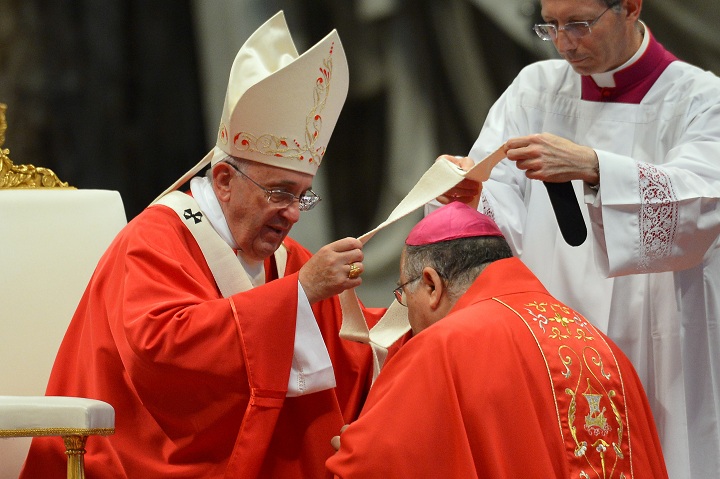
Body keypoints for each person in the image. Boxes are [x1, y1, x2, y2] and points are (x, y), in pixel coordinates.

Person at [20, 12, 381, 479]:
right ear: (226, 179)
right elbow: (161, 350)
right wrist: (297, 296)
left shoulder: (288, 261)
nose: (292, 213)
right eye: (279, 192)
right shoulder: (154, 240)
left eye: (301, 195)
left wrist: (425, 291)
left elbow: (355, 349)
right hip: (130, 456)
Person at [437, 0, 720, 477]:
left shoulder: (700, 97)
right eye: (552, 26)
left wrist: (594, 167)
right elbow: (498, 199)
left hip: (659, 328)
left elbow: (703, 200)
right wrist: (471, 191)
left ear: (630, 7)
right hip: (554, 318)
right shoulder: (535, 90)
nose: (566, 42)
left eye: (580, 24)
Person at [326, 201, 668, 478]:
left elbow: (372, 465)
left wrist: (351, 450)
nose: (407, 315)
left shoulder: (443, 347)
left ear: (431, 285)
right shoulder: (598, 344)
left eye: (403, 292)